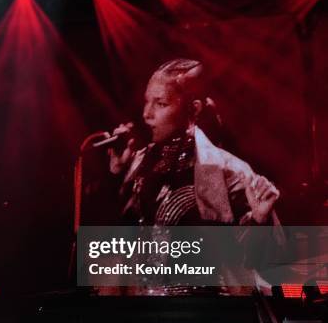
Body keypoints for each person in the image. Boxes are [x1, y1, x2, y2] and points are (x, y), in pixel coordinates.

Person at [108, 59, 280, 227]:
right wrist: (117, 173)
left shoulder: (231, 172)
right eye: (147, 101)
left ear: (194, 108)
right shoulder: (140, 162)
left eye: (161, 104)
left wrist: (260, 221)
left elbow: (243, 250)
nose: (147, 113)